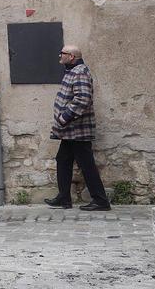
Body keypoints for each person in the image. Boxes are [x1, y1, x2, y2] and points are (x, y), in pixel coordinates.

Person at [44, 44, 110, 211]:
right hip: (71, 130)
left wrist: (64, 117)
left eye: (63, 53)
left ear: (71, 56)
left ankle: (101, 200)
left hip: (77, 129)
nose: (60, 56)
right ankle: (64, 198)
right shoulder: (72, 71)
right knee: (63, 160)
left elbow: (83, 98)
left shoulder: (79, 72)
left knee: (86, 164)